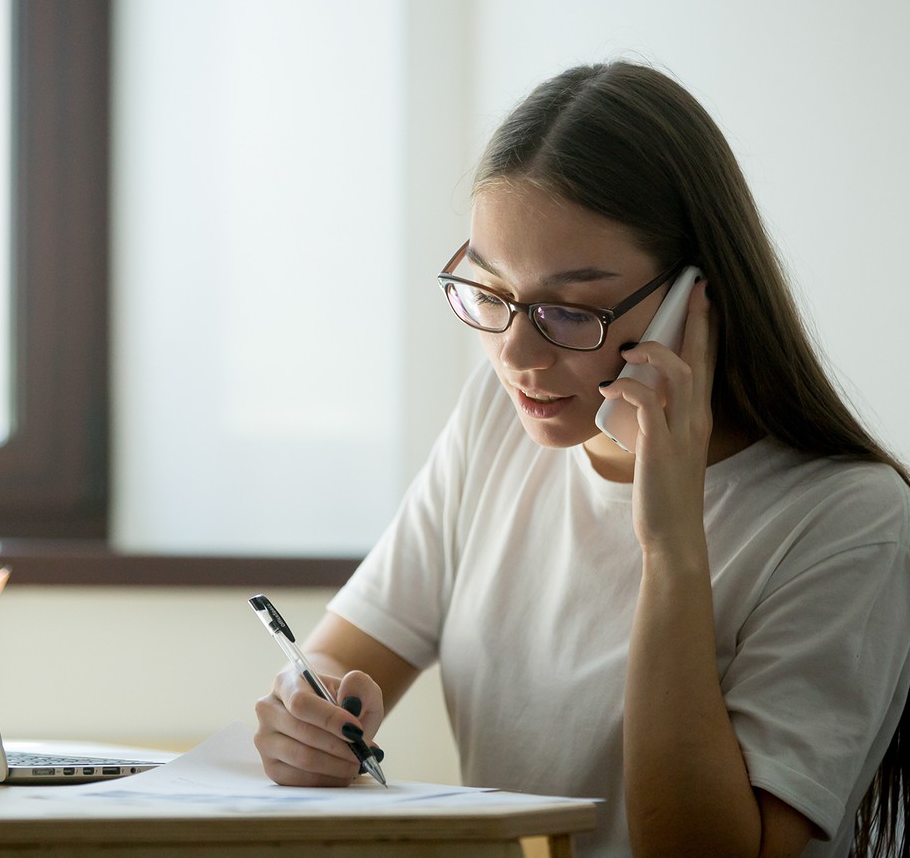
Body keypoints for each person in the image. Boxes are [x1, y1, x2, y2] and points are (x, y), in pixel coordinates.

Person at [253, 61, 910, 858]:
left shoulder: (849, 521)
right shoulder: (497, 424)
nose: (517, 355)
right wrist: (307, 714)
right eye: (493, 293)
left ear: (693, 296)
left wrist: (670, 548)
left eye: (570, 310)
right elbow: (340, 659)